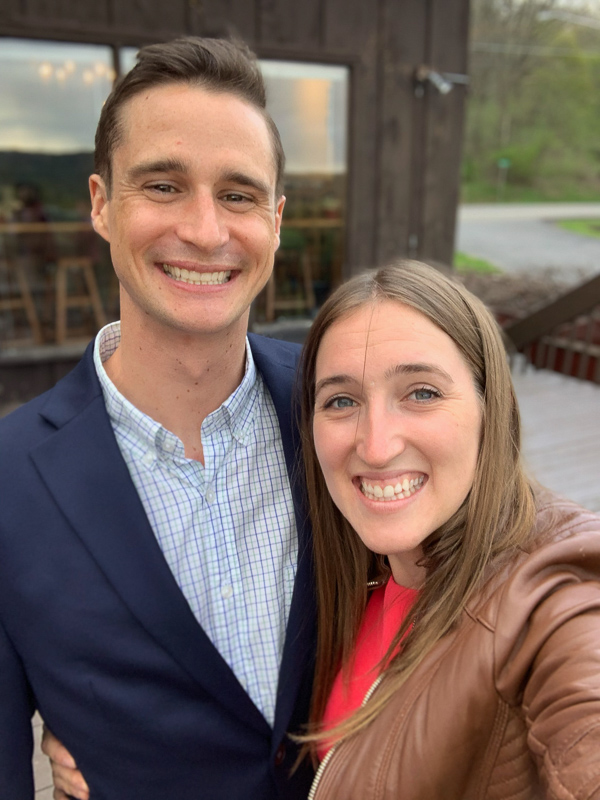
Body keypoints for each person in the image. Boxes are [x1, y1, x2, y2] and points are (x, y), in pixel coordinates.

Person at [0, 37, 315, 800]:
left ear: (275, 221)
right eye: (164, 186)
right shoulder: (7, 479)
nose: (206, 231)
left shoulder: (337, 406)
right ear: (102, 204)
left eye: (238, 195)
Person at [296, 260, 600, 798]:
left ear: (491, 408)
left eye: (422, 393)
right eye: (342, 401)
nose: (376, 445)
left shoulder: (554, 597)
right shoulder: (354, 567)